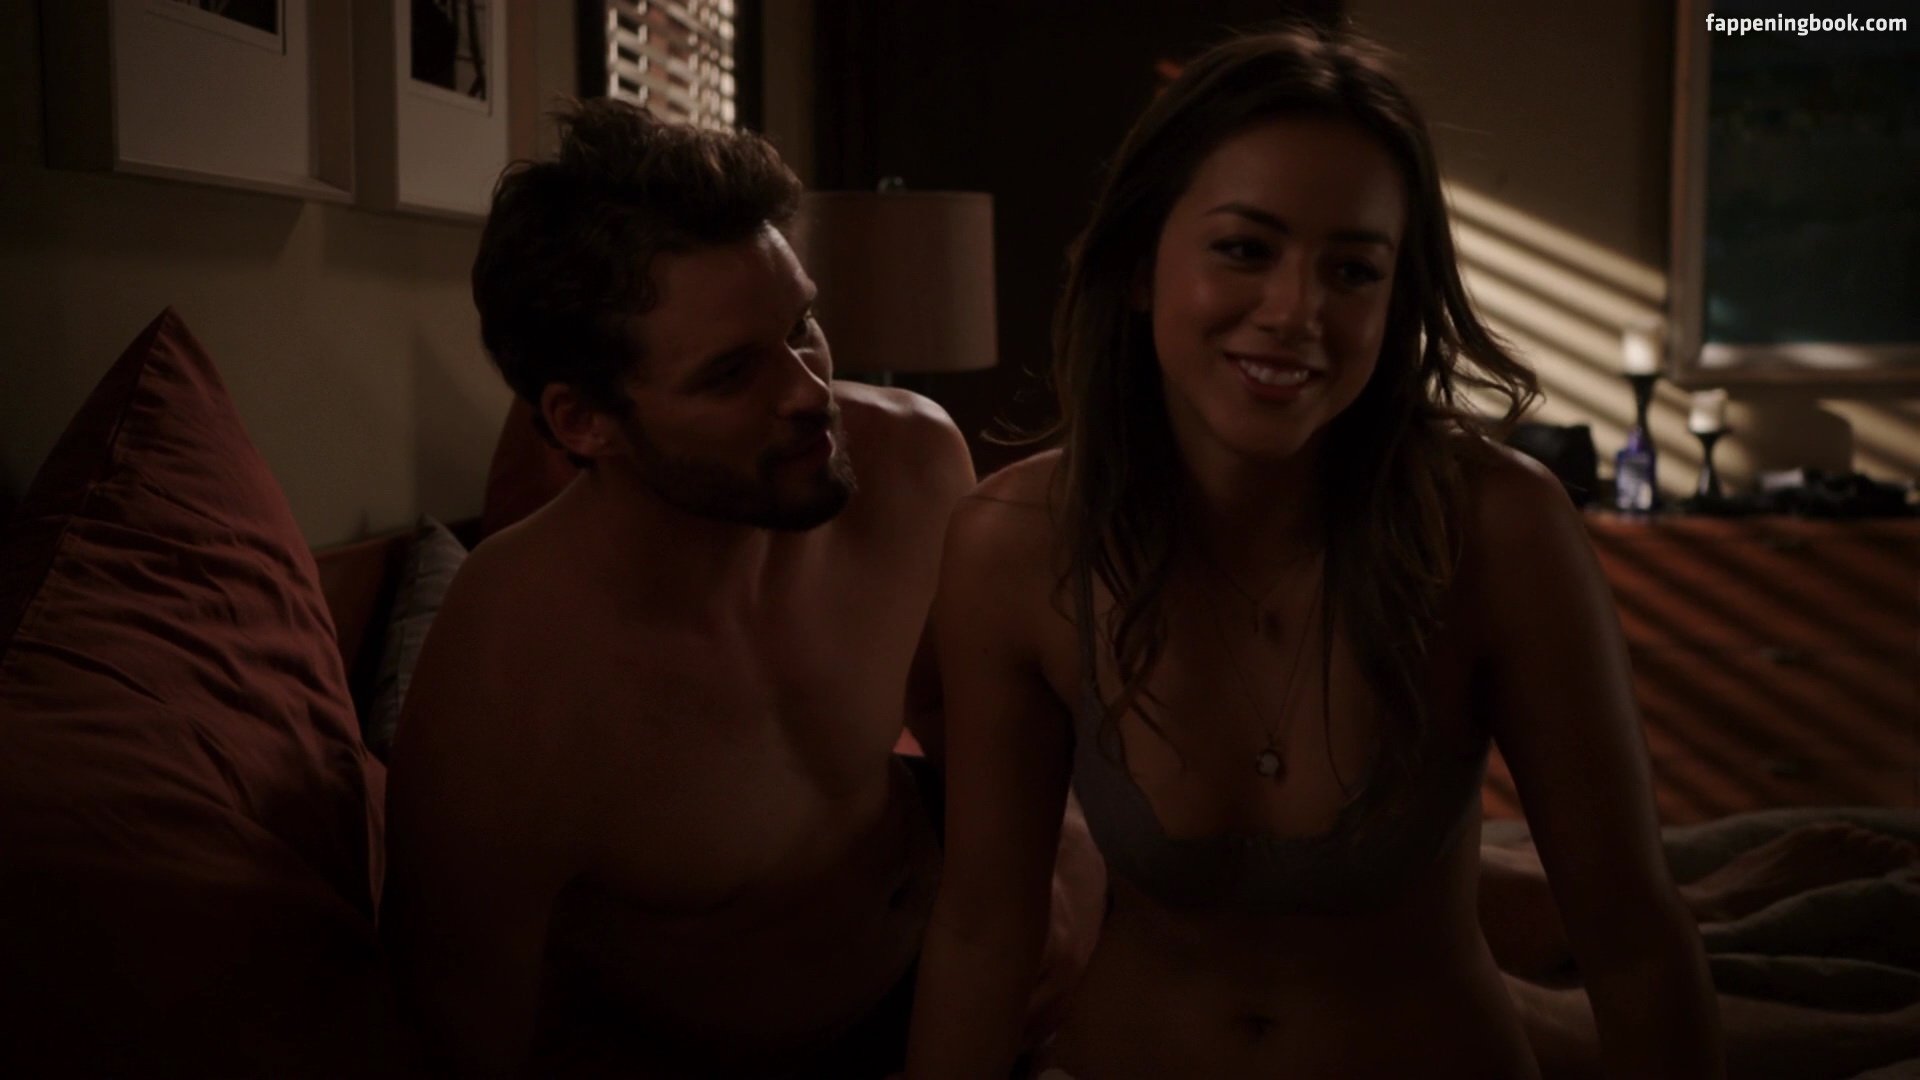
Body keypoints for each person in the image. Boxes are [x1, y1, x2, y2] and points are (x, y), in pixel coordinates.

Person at [906, 25, 1725, 1079]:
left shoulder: (1495, 528)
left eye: (1352, 270)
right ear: (1144, 266)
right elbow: (984, 933)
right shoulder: (1014, 544)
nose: (1298, 313)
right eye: (1245, 250)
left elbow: (1634, 942)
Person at [381, 100, 1101, 1077]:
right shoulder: (509, 671)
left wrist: (1056, 850)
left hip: (956, 983)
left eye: (802, 324)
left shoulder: (912, 460)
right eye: (730, 374)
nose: (810, 391)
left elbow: (963, 708)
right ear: (584, 422)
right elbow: (459, 1038)